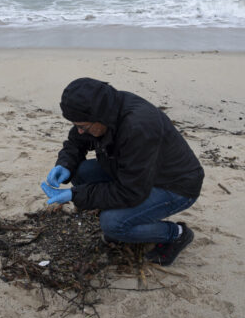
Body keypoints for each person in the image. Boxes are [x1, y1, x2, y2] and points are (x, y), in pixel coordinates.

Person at [40, 77, 204, 266]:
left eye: (83, 127)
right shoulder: (103, 107)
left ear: (99, 117)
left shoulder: (138, 127)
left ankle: (176, 234)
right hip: (133, 172)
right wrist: (65, 164)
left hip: (175, 186)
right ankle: (126, 220)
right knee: (80, 172)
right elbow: (76, 142)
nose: (80, 132)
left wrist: (75, 194)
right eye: (76, 125)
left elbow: (131, 191)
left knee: (112, 224)